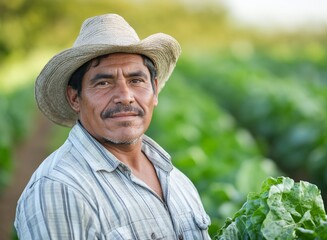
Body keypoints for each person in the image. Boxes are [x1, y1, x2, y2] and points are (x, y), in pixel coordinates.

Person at [15, 13, 210, 239]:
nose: (125, 96)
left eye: (136, 80)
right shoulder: (59, 190)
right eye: (104, 83)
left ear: (154, 90)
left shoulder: (175, 179)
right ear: (75, 98)